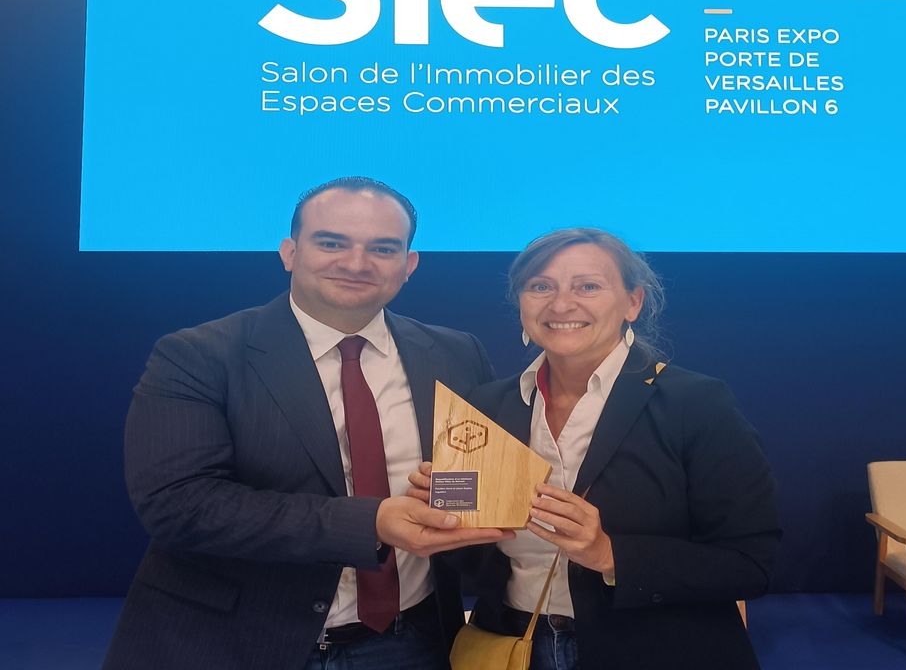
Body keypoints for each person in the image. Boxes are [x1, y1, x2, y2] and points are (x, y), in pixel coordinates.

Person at [104, 177, 511, 670]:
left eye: (382, 248)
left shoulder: (456, 353)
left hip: (413, 642)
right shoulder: (199, 355)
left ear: (409, 265)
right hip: (237, 643)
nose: (356, 263)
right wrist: (370, 523)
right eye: (332, 243)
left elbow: (475, 478)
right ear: (289, 253)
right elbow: (179, 505)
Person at [410, 228, 781, 670]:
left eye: (587, 286)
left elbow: (753, 563)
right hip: (514, 646)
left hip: (654, 650)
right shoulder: (487, 406)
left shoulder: (696, 403)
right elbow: (476, 560)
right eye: (541, 286)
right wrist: (445, 517)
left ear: (633, 302)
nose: (561, 304)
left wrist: (609, 555)